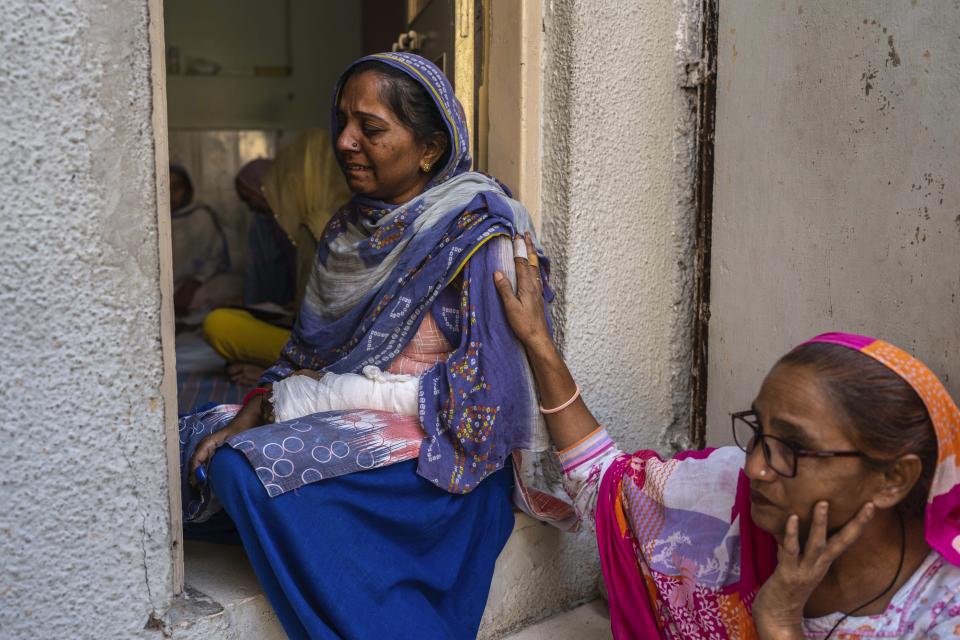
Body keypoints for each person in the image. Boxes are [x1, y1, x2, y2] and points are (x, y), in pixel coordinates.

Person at [177, 53, 563, 639]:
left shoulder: (480, 230)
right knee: (188, 443)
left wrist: (314, 400)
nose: (346, 141)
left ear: (430, 148)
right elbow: (304, 355)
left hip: (442, 461)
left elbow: (495, 401)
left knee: (244, 469)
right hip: (345, 421)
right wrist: (264, 399)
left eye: (372, 128)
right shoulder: (347, 229)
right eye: (342, 121)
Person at [492, 234, 960, 639]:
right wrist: (538, 341)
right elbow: (604, 484)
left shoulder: (943, 614)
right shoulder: (724, 501)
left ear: (894, 478)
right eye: (759, 433)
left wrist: (778, 622)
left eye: (793, 449)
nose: (755, 466)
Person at [169, 164, 241, 317]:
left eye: (177, 187)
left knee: (229, 287)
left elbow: (213, 257)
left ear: (188, 190)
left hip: (199, 283)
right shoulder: (150, 221)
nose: (171, 193)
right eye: (165, 186)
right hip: (166, 287)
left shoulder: (201, 216)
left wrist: (194, 282)